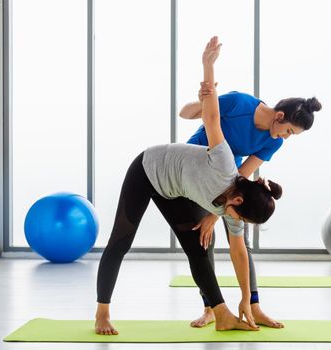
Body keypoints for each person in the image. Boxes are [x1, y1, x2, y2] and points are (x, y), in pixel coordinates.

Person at [94, 36, 282, 335]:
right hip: (148, 170)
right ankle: (101, 313)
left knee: (198, 247)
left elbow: (239, 253)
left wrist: (246, 300)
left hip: (176, 190)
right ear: (236, 203)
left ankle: (222, 315)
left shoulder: (235, 210)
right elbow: (211, 116)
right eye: (242, 219)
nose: (238, 224)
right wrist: (208, 66)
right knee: (122, 240)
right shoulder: (224, 165)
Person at [179, 66, 322, 329]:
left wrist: (216, 213)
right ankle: (210, 307)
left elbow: (243, 173)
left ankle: (253, 306)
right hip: (196, 169)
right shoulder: (238, 103)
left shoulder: (273, 141)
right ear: (279, 116)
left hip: (227, 178)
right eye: (289, 131)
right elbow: (185, 113)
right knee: (202, 240)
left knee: (240, 240)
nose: (285, 138)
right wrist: (202, 100)